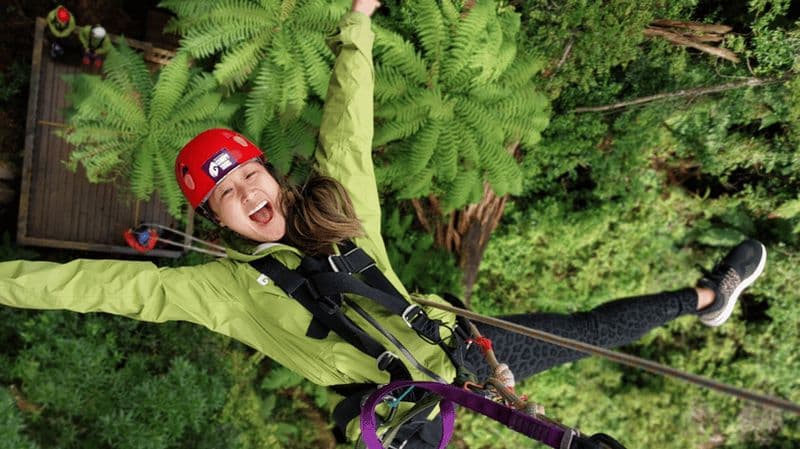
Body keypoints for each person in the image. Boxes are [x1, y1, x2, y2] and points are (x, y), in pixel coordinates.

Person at [0, 1, 768, 447]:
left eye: (250, 173)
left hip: (461, 351)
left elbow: (348, 115)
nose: (248, 190)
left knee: (584, 328)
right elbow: (103, 285)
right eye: (229, 194)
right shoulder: (226, 290)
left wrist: (358, 22)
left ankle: (705, 297)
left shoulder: (339, 209)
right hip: (398, 413)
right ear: (219, 221)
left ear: (270, 170)